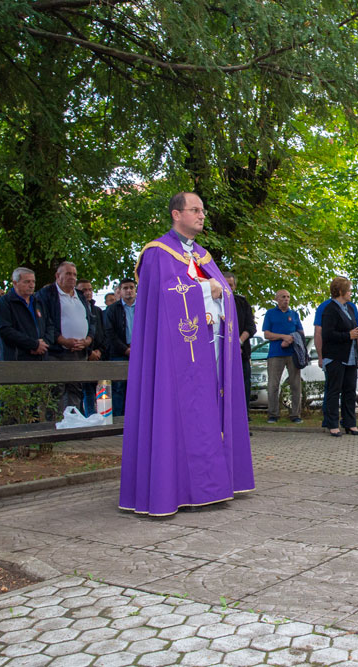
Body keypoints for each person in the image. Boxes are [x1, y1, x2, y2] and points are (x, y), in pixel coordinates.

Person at [118, 192, 254, 516]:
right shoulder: (157, 253)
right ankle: (173, 489)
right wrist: (208, 289)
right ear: (176, 214)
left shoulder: (204, 256)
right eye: (195, 210)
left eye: (203, 210)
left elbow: (226, 292)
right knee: (177, 416)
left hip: (210, 350)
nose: (202, 215)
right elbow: (165, 296)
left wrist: (219, 292)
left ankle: (211, 486)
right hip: (173, 357)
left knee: (209, 414)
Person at [36, 262, 96, 413]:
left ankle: (74, 421)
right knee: (56, 391)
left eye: (74, 274)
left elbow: (91, 320)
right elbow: (45, 321)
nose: (72, 277)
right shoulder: (47, 294)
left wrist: (88, 340)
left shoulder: (80, 295)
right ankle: (57, 423)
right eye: (68, 274)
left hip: (79, 352)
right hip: (57, 352)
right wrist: (61, 340)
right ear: (58, 275)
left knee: (76, 390)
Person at [320, 276, 358, 437]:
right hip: (336, 356)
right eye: (349, 290)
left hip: (350, 356)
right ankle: (332, 424)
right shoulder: (330, 309)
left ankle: (350, 423)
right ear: (340, 291)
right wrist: (348, 335)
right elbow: (327, 334)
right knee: (334, 390)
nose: (351, 292)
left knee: (350, 391)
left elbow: (353, 327)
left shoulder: (350, 308)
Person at [262, 289, 304, 423]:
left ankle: (295, 415)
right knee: (273, 385)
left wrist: (291, 338)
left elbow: (301, 333)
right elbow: (267, 334)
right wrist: (283, 337)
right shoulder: (270, 313)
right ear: (277, 299)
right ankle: (273, 414)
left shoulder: (294, 314)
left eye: (288, 297)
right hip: (275, 354)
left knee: (295, 385)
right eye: (283, 297)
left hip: (292, 354)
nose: (286, 299)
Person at [0, 268, 50, 361]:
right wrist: (33, 345)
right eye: (27, 282)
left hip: (41, 357)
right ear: (15, 283)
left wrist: (43, 344)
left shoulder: (38, 302)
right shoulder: (5, 302)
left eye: (33, 281)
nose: (32, 285)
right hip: (16, 359)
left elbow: (50, 326)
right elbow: (4, 330)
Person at [223, 272, 257, 410]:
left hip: (241, 354)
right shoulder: (212, 303)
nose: (228, 288)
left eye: (230, 285)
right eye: (225, 285)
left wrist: (237, 343)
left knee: (243, 386)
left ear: (235, 286)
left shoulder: (242, 303)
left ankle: (243, 417)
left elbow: (251, 327)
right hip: (220, 354)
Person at [103, 277, 136, 416]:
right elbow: (109, 333)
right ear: (120, 291)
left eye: (131, 287)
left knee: (138, 387)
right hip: (119, 353)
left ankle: (136, 419)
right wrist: (125, 350)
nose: (129, 291)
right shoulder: (112, 309)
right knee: (118, 388)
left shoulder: (144, 307)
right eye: (125, 288)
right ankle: (118, 421)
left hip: (140, 353)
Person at [76, 279, 106, 416]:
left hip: (98, 355)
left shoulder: (97, 310)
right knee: (86, 391)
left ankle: (102, 417)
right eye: (84, 290)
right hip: (83, 355)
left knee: (101, 389)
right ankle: (89, 418)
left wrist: (100, 350)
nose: (88, 293)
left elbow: (103, 332)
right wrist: (88, 352)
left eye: (90, 290)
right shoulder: (77, 309)